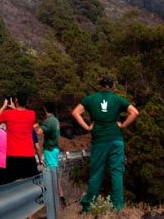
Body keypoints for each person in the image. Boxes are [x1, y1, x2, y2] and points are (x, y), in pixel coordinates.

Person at [72, 75, 139, 212]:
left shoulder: (91, 99)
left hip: (99, 141)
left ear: (100, 86)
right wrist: (122, 125)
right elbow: (134, 112)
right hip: (116, 140)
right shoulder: (117, 99)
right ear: (113, 86)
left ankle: (88, 206)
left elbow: (75, 112)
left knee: (96, 173)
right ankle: (118, 207)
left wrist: (87, 127)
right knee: (117, 173)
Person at [0, 93, 38, 182]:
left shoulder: (8, 114)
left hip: (12, 155)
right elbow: (21, 115)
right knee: (32, 183)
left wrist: (4, 106)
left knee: (12, 185)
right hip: (28, 155)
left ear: (16, 100)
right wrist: (15, 108)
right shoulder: (32, 114)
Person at [40, 101, 66, 207]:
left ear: (45, 109)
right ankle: (61, 196)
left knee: (51, 175)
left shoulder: (48, 121)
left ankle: (54, 201)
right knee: (55, 173)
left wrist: (34, 126)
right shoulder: (56, 120)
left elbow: (39, 132)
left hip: (49, 149)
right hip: (55, 149)